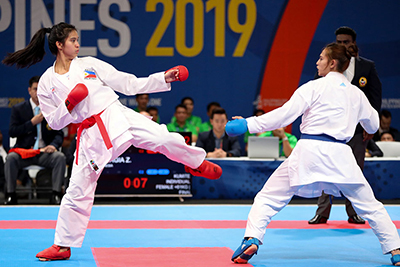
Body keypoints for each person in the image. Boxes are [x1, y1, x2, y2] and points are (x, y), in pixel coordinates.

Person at [2, 22, 222, 261]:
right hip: (90, 134)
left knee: (161, 136)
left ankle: (195, 162)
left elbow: (128, 83)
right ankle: (62, 245)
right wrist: (68, 105)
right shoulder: (46, 83)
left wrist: (163, 78)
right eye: (73, 40)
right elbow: (54, 122)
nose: (78, 44)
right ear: (59, 45)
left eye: (77, 40)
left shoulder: (89, 64)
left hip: (117, 115)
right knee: (78, 188)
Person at [226, 43, 400, 265]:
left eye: (321, 58)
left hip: (309, 151)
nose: (317, 62)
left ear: (332, 63)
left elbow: (284, 115)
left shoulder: (312, 87)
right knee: (371, 206)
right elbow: (374, 125)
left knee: (268, 197)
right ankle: (396, 249)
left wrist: (247, 125)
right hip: (341, 155)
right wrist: (361, 121)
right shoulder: (356, 94)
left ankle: (252, 238)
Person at [309, 26, 382, 225]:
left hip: (357, 130)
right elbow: (316, 93)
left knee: (355, 170)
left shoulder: (366, 67)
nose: (343, 45)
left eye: (346, 42)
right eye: (339, 42)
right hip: (331, 130)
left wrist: (370, 126)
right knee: (325, 169)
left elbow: (374, 99)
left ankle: (354, 212)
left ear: (353, 43)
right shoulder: (327, 67)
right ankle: (322, 212)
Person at [3, 76, 66, 205]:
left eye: (40, 89)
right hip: (24, 153)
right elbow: (12, 131)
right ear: (29, 90)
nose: (38, 92)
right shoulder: (19, 109)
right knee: (11, 158)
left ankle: (55, 195)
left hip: (44, 153)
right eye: (35, 89)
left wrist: (53, 146)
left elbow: (59, 134)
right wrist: (31, 123)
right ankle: (10, 195)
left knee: (59, 157)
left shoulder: (51, 109)